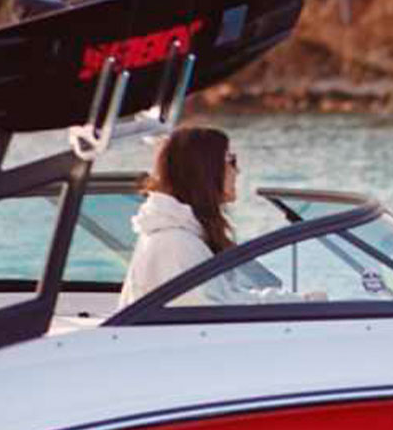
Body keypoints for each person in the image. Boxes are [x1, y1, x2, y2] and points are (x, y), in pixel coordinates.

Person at [118, 126, 316, 307]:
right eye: (231, 160)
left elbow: (225, 301)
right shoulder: (176, 243)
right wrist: (299, 303)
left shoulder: (182, 235)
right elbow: (212, 314)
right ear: (205, 168)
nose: (238, 171)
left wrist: (299, 302)